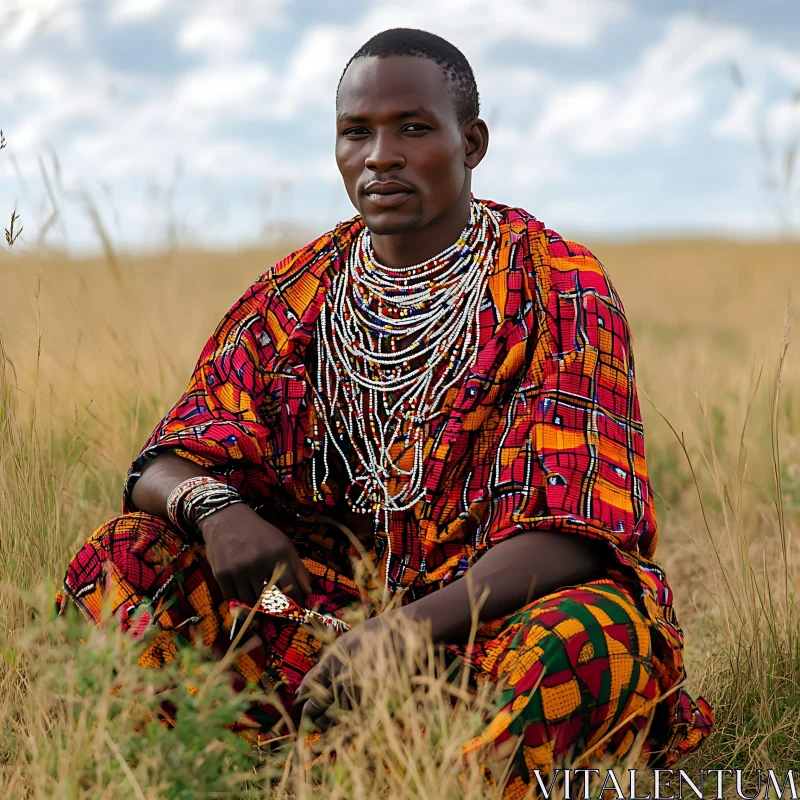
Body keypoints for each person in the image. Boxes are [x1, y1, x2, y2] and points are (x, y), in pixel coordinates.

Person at [61, 28, 713, 793]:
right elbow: (164, 461)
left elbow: (576, 536)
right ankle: (223, 766)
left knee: (585, 640)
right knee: (124, 557)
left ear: (471, 142)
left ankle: (429, 769)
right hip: (312, 621)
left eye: (413, 128)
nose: (380, 155)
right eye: (356, 132)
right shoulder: (300, 291)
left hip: (487, 629)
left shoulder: (556, 283)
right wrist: (213, 508)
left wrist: (399, 635)